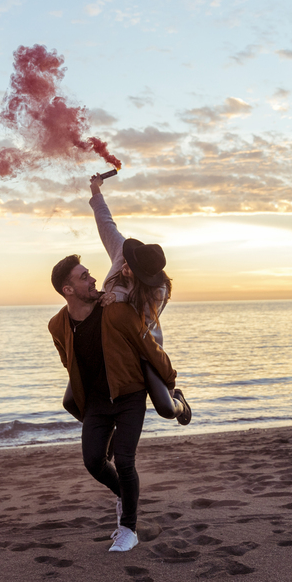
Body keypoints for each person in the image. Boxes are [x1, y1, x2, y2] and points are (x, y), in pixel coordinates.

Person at [48, 254, 179, 552]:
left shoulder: (116, 312)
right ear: (68, 290)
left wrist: (170, 381)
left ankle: (128, 529)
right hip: (95, 401)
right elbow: (68, 362)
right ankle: (125, 497)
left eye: (89, 274)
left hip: (129, 394)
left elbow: (149, 347)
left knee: (124, 460)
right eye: (84, 277)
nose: (93, 278)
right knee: (93, 461)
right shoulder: (57, 325)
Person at [89, 174, 190, 424]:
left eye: (133, 270)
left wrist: (116, 296)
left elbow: (135, 322)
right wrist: (95, 192)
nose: (126, 268)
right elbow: (106, 224)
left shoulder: (158, 291)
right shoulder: (121, 253)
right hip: (112, 343)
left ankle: (180, 401)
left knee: (165, 408)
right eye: (128, 263)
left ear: (146, 278)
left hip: (144, 345)